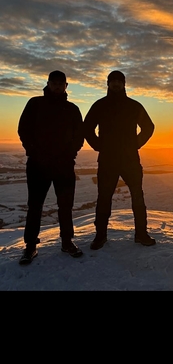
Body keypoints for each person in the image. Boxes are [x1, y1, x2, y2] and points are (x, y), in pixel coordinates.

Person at [17, 70, 84, 265]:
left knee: (65, 205)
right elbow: (24, 129)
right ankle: (30, 246)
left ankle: (67, 241)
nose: (57, 86)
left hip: (64, 165)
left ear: (66, 85)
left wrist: (70, 154)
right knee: (35, 206)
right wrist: (34, 152)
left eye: (60, 83)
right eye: (53, 82)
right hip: (38, 165)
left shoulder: (72, 109)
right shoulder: (35, 104)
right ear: (48, 83)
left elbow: (79, 135)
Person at [83, 70, 156, 250]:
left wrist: (136, 144)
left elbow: (148, 126)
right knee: (104, 198)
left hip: (130, 158)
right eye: (112, 81)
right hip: (108, 159)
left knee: (137, 196)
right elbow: (87, 128)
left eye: (119, 81)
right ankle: (100, 236)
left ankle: (141, 233)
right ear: (108, 84)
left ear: (124, 84)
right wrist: (98, 145)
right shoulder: (100, 105)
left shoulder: (133, 106)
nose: (116, 84)